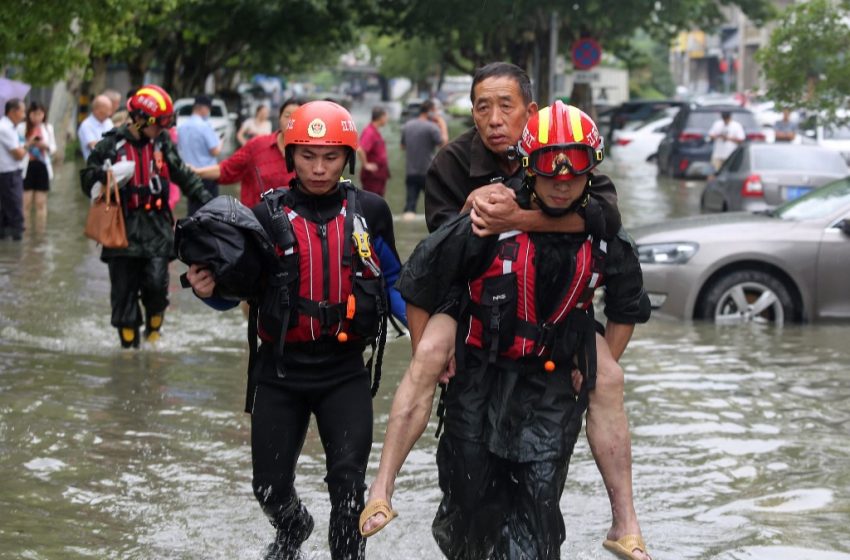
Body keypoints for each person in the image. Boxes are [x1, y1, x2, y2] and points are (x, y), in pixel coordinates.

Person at [361, 62, 652, 560]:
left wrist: (516, 217)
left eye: (506, 106)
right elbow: (427, 275)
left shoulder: (591, 204)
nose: (494, 118)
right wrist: (486, 222)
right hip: (472, 305)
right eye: (483, 107)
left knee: (608, 380)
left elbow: (615, 266)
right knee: (430, 355)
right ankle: (382, 487)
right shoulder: (454, 169)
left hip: (557, 331)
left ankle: (624, 521)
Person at [183, 100, 407, 560]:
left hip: (344, 372)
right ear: (290, 156)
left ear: (348, 157)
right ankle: (294, 528)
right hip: (280, 372)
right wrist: (207, 289)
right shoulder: (264, 219)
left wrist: (431, 347)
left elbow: (394, 283)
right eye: (307, 156)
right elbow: (234, 292)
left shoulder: (372, 212)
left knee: (348, 489)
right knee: (267, 486)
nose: (319, 168)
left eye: (330, 157)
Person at [80, 84, 213, 348]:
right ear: (139, 119)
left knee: (156, 284)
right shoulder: (110, 144)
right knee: (124, 292)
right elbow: (86, 181)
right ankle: (128, 352)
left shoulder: (162, 142)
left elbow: (183, 175)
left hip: (156, 228)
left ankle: (153, 339)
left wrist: (208, 203)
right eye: (158, 123)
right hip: (122, 230)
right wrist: (107, 176)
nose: (162, 129)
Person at [193, 98, 302, 208]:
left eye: (297, 117)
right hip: (256, 220)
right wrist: (193, 171)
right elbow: (226, 169)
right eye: (287, 116)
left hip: (295, 222)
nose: (290, 122)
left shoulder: (310, 154)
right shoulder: (257, 145)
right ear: (279, 118)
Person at [400, 99, 447, 218]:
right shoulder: (432, 127)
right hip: (428, 173)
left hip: (410, 172)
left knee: (410, 207)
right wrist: (442, 123)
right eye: (435, 111)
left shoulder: (407, 125)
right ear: (430, 111)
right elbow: (444, 144)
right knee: (436, 206)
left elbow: (402, 146)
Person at [176, 95, 222, 215]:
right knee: (210, 211)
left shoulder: (182, 127)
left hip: (189, 174)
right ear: (203, 109)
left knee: (193, 209)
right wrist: (221, 142)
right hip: (207, 174)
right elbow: (215, 151)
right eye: (209, 109)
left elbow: (179, 148)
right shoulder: (205, 126)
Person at [16, 101, 57, 232]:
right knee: (25, 202)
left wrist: (45, 146)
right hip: (27, 166)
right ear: (29, 114)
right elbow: (16, 147)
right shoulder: (21, 127)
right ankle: (25, 231)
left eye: (40, 114)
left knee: (41, 203)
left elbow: (53, 148)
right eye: (34, 114)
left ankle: (40, 232)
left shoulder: (48, 128)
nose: (37, 117)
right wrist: (30, 142)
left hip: (42, 165)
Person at [0, 99, 27, 241]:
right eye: (22, 111)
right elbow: (18, 155)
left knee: (5, 211)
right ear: (13, 111)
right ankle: (18, 252)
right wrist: (28, 145)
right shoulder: (5, 128)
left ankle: (8, 254)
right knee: (16, 209)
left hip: (8, 173)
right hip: (8, 174)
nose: (24, 115)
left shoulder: (11, 127)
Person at [356, 106, 390, 197]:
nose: (387, 119)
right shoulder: (369, 132)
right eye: (386, 116)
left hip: (379, 176)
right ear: (381, 117)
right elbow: (360, 149)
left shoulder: (375, 131)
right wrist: (366, 164)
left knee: (378, 202)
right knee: (372, 202)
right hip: (372, 177)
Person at [78, 94, 114, 161]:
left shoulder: (108, 122)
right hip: (96, 167)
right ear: (97, 111)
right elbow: (95, 147)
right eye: (106, 112)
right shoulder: (86, 126)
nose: (109, 114)